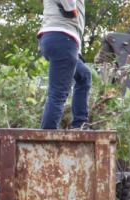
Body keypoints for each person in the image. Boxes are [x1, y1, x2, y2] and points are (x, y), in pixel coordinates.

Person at [37, 0, 91, 129]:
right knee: (58, 93)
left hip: (59, 40)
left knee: (84, 75)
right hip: (62, 38)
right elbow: (70, 10)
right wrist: (70, 8)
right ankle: (46, 138)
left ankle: (80, 124)